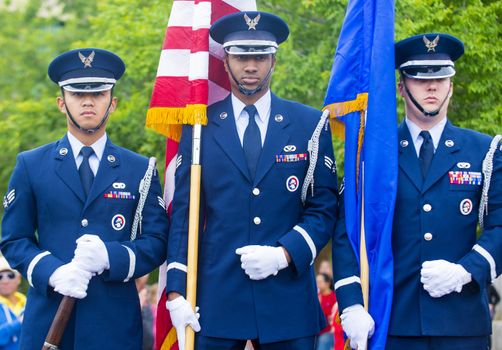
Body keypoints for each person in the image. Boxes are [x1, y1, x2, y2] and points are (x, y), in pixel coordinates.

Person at [165, 11, 374, 350]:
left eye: (260, 56)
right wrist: (176, 290)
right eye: (241, 57)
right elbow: (184, 216)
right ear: (226, 61)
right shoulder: (200, 128)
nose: (251, 66)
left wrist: (284, 254)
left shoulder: (309, 125)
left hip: (288, 298)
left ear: (274, 60)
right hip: (216, 300)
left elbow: (323, 209)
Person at [0, 48, 169, 349]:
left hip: (113, 326)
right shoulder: (31, 165)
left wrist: (110, 256)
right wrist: (52, 272)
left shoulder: (140, 169)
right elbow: (15, 240)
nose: (88, 101)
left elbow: (156, 242)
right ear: (61, 103)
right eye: (77, 94)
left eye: (99, 93)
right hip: (49, 323)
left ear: (112, 103)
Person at [387, 33, 502, 350]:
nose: (432, 86)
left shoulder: (484, 150)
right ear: (401, 87)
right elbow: (353, 231)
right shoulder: (378, 152)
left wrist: (467, 271)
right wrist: (354, 302)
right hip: (396, 320)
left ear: (451, 84)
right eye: (420, 78)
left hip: (461, 322)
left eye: (440, 77)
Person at [0, 256, 24, 350]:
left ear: (18, 278)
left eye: (10, 275)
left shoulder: (29, 305)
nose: (5, 281)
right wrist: (18, 322)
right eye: (0, 276)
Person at [316, 273, 336, 350]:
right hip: (317, 332)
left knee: (323, 342)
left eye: (320, 282)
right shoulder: (316, 297)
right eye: (316, 282)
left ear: (328, 283)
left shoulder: (334, 297)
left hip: (329, 331)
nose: (317, 284)